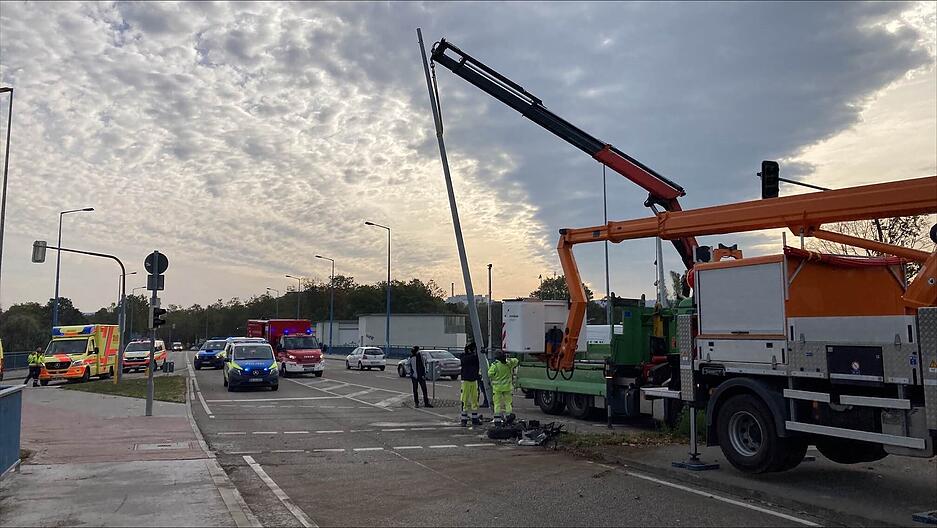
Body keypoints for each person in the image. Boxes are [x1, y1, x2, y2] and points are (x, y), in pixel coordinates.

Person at [487, 351, 519, 425]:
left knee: (497, 404)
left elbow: (489, 374)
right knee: (508, 403)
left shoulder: (495, 365)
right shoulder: (508, 364)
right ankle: (509, 418)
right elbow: (516, 361)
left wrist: (495, 377)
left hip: (497, 388)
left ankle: (497, 420)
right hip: (507, 388)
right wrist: (509, 359)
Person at [459, 342, 481, 426]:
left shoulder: (471, 357)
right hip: (467, 381)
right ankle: (464, 420)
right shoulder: (465, 357)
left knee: (474, 400)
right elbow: (467, 360)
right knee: (465, 400)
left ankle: (473, 419)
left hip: (472, 380)